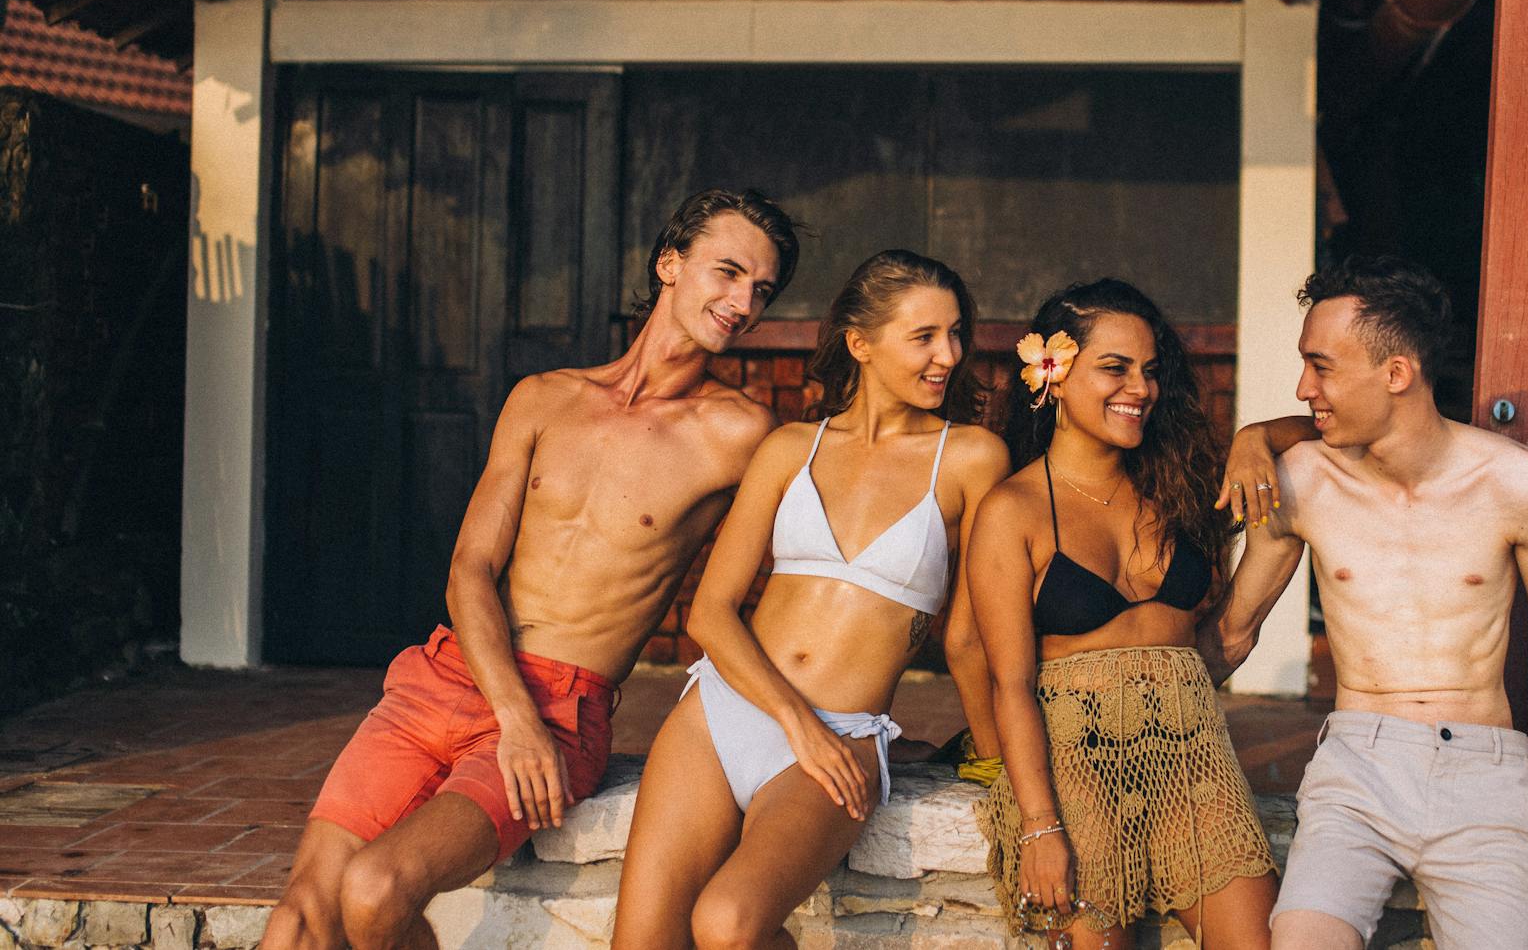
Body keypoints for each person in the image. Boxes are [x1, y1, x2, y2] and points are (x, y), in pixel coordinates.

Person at [260, 188, 802, 950]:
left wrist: (838, 715)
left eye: (763, 289)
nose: (744, 302)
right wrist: (509, 713)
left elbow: (820, 554)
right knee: (294, 924)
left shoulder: (740, 432)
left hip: (562, 707)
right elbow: (470, 569)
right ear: (669, 263)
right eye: (729, 272)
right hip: (449, 675)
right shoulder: (544, 398)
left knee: (376, 888)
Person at [612, 249, 1009, 950]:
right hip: (721, 713)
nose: (947, 354)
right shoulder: (790, 447)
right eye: (924, 337)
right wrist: (796, 720)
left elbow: (969, 639)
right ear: (860, 343)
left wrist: (1002, 760)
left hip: (844, 735)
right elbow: (711, 610)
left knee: (727, 922)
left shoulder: (972, 457)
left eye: (955, 335)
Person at [1213, 255, 1528, 950]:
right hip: (1358, 764)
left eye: (1321, 366)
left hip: (1488, 774)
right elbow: (1234, 632)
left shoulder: (1522, 486)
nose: (1303, 387)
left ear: (1396, 374)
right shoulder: (1301, 481)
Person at [971, 278, 1279, 949]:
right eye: (1115, 367)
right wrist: (1040, 824)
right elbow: (1011, 685)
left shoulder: (1177, 483)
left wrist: (1258, 434)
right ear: (1052, 371)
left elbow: (1335, 427)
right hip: (1074, 764)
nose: (1141, 387)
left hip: (1191, 756)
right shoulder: (1012, 510)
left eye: (1149, 370)